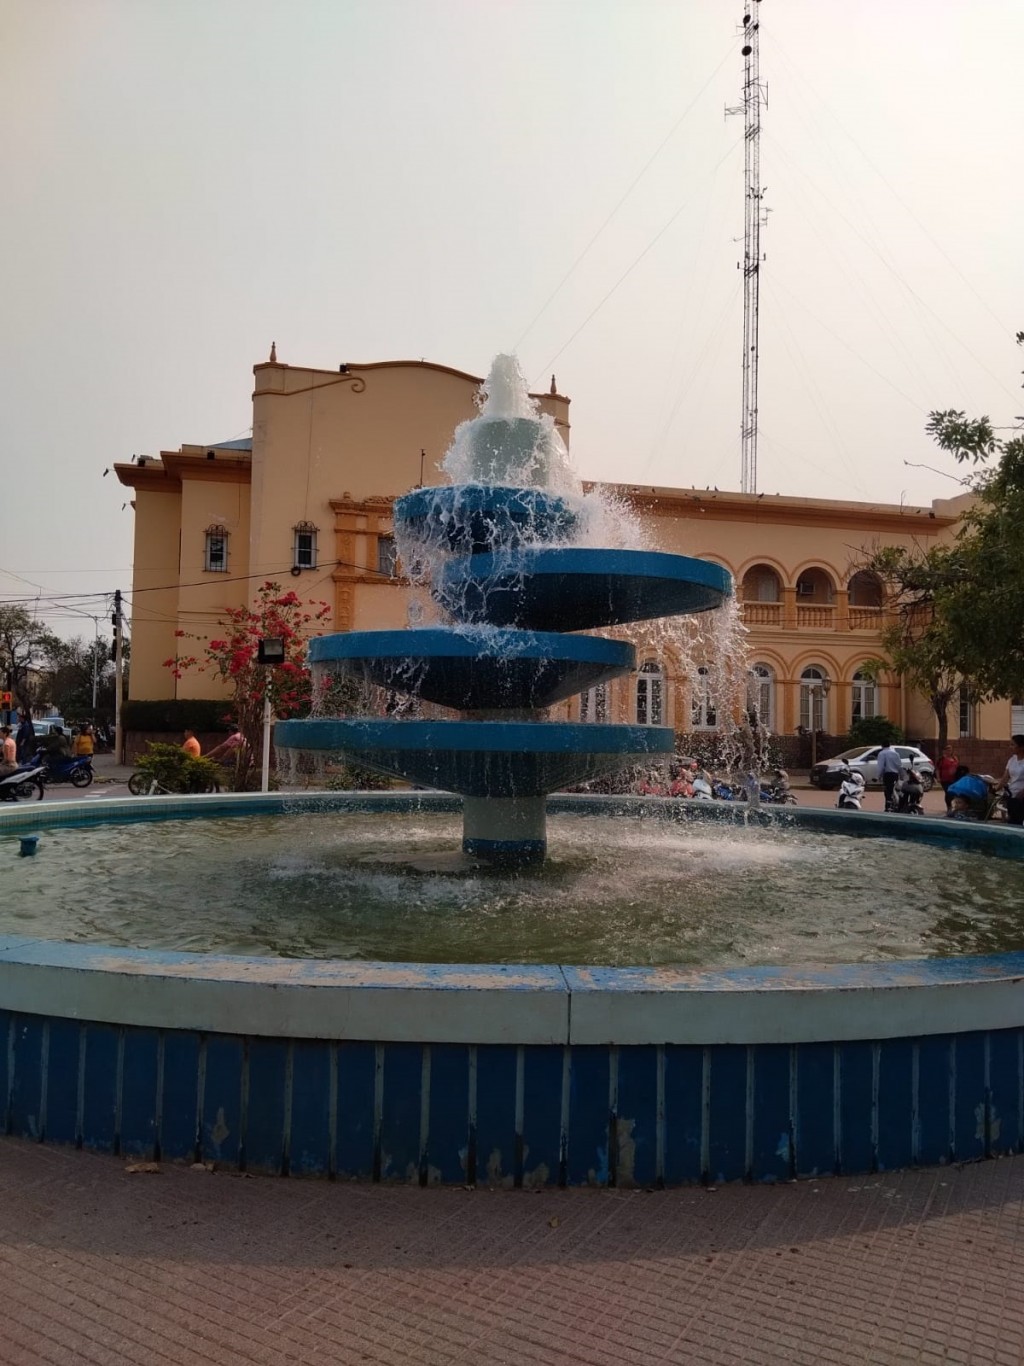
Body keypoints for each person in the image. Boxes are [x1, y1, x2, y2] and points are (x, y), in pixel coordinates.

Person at [999, 735, 1024, 827]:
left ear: (1021, 747)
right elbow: (1005, 777)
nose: (1011, 747)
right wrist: (997, 788)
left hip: (1021, 796)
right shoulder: (1012, 760)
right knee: (1013, 821)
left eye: (1013, 745)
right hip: (1012, 794)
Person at [875, 741, 903, 812]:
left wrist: (878, 776)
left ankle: (888, 806)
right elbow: (899, 765)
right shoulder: (895, 753)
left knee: (887, 791)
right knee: (894, 789)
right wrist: (901, 775)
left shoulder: (882, 753)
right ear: (889, 745)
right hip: (895, 774)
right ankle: (895, 804)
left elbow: (880, 766)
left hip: (887, 775)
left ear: (882, 746)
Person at [936, 743, 959, 812]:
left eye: (950, 750)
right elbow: (937, 769)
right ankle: (949, 806)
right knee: (948, 792)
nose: (949, 751)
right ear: (944, 751)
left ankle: (953, 806)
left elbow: (957, 767)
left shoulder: (955, 758)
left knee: (953, 793)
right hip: (944, 779)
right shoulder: (941, 759)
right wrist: (938, 777)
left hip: (954, 779)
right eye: (948, 750)